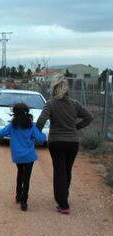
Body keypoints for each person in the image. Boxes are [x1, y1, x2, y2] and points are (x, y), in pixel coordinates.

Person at [37, 74, 93, 215]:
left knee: (59, 171)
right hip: (72, 142)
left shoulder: (50, 104)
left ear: (54, 89)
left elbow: (41, 120)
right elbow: (89, 117)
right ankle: (64, 197)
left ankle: (63, 203)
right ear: (67, 89)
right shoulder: (75, 104)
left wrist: (35, 133)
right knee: (67, 170)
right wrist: (76, 128)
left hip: (56, 142)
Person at [0, 103, 46, 211]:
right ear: (26, 112)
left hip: (17, 155)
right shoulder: (31, 125)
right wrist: (42, 134)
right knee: (27, 177)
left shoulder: (13, 125)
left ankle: (18, 195)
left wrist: (9, 134)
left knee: (20, 172)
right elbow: (41, 139)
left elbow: (1, 133)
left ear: (15, 113)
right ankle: (24, 202)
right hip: (29, 155)